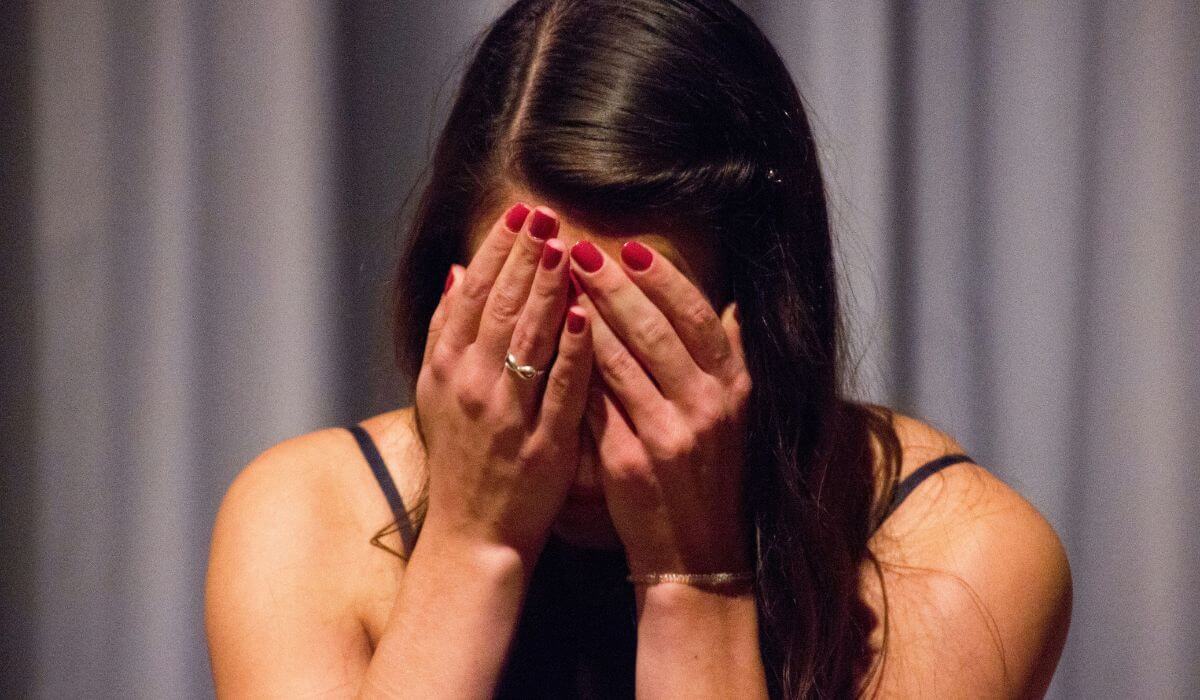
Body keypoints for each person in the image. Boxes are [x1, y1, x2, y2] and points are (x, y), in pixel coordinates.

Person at [204, 0, 1072, 697]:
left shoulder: (958, 557)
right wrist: (471, 547)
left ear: (763, 318)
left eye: (641, 352)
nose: (580, 445)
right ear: (451, 296)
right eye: (534, 336)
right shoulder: (304, 518)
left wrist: (696, 581)